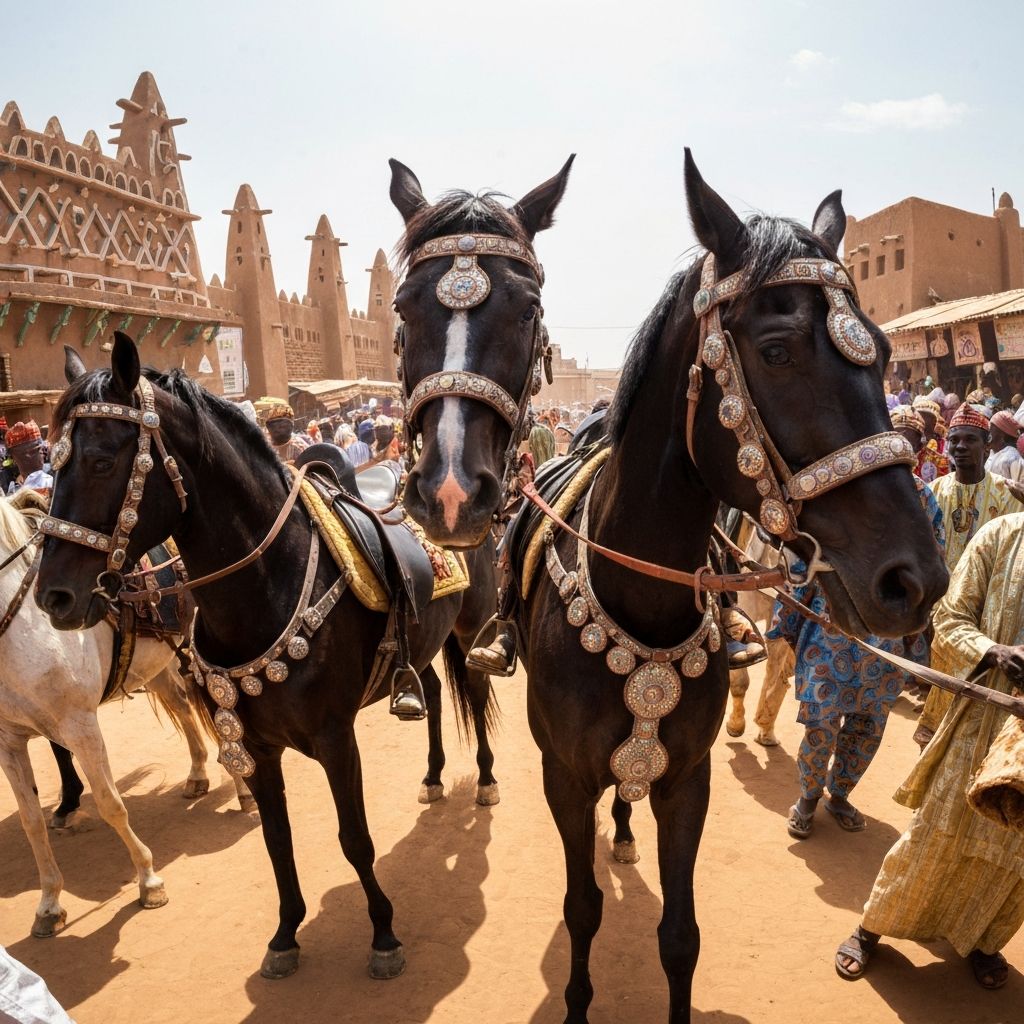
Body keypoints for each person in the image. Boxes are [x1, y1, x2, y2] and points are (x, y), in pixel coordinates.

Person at [835, 512, 1024, 990]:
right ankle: (871, 928)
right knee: (935, 832)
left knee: (1015, 853)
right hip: (980, 721)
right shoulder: (1001, 535)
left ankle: (982, 941)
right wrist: (993, 651)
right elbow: (949, 616)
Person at [770, 478, 945, 840]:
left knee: (867, 724)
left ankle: (840, 794)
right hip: (830, 623)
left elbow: (934, 553)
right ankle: (808, 796)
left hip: (886, 630)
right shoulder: (836, 483)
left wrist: (917, 623)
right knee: (821, 720)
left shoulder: (921, 496)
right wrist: (792, 607)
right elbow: (805, 547)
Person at [916, 402, 1022, 745]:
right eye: (955, 440)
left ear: (987, 442)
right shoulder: (934, 493)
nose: (960, 447)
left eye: (969, 440)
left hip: (990, 612)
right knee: (944, 688)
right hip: (942, 609)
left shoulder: (1007, 495)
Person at [5, 421, 53, 497]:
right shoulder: (54, 484)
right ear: (28, 454)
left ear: (13, 459)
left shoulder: (13, 495)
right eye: (40, 449)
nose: (43, 453)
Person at [911, 396, 948, 483]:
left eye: (929, 419)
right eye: (919, 417)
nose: (923, 422)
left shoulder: (941, 446)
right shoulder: (907, 444)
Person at [985, 409, 1024, 482]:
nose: (988, 431)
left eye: (992, 427)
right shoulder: (989, 453)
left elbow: (1018, 487)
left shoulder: (1012, 457)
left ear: (1002, 433)